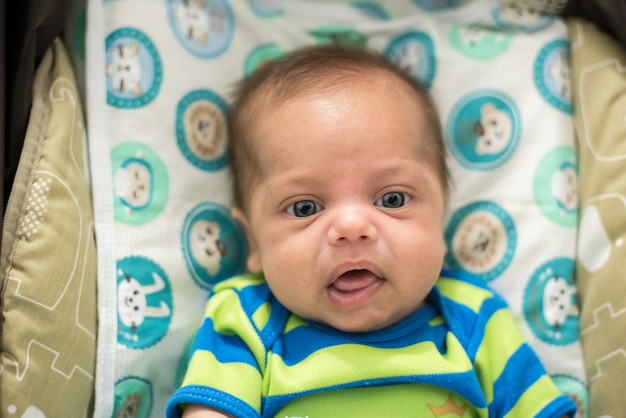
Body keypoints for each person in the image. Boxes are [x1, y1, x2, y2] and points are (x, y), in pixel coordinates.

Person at [166, 44, 576, 418]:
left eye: (393, 199)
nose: (351, 227)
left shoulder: (473, 317)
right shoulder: (246, 317)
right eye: (305, 207)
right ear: (253, 241)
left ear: (441, 212)